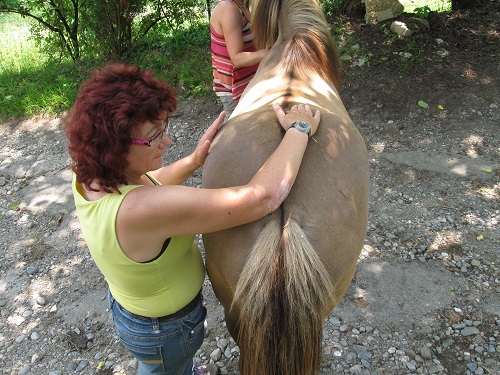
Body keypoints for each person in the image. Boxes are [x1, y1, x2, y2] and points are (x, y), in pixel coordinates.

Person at [64, 63, 320, 375]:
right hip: (166, 331)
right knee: (165, 367)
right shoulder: (142, 211)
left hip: (134, 311)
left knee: (162, 366)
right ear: (115, 146)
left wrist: (193, 161)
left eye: (165, 129)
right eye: (154, 137)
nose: (167, 142)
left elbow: (148, 181)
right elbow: (262, 197)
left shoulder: (88, 174)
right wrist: (299, 129)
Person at [210, 0, 268, 121]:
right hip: (234, 91)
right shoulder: (228, 9)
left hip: (246, 85)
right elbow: (237, 59)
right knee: (235, 133)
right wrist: (269, 52)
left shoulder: (240, 5)